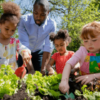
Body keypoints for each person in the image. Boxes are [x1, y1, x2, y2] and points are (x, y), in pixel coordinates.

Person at [59, 21, 100, 94]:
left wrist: (94, 76)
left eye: (94, 40)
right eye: (86, 41)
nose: (89, 44)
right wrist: (64, 81)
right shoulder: (82, 51)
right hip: (82, 84)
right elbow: (69, 63)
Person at [17, 0, 56, 75]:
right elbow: (24, 44)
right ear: (33, 10)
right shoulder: (23, 20)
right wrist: (31, 69)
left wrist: (43, 69)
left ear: (47, 13)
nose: (38, 17)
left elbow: (48, 47)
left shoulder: (52, 24)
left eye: (42, 14)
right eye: (36, 13)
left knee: (40, 75)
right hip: (24, 53)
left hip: (39, 52)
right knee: (22, 77)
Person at [0, 2, 32, 77]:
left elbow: (23, 48)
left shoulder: (15, 41)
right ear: (0, 25)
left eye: (13, 30)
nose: (9, 32)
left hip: (12, 75)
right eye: (6, 29)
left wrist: (25, 53)